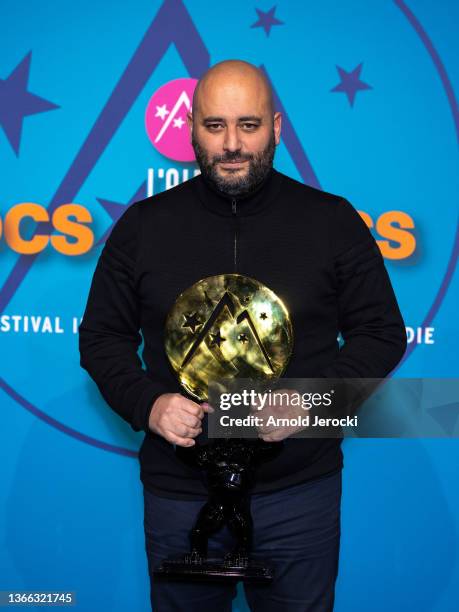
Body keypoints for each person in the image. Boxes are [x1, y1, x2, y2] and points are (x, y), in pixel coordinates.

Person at [79, 59, 407, 611]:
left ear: (276, 128)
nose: (232, 144)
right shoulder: (142, 227)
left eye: (249, 125)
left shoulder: (331, 222)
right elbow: (101, 337)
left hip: (299, 493)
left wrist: (312, 402)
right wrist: (149, 404)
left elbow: (381, 333)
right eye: (215, 126)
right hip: (179, 493)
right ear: (191, 129)